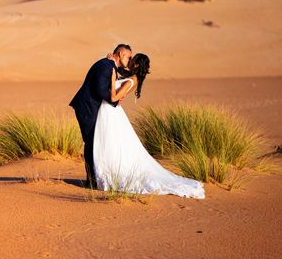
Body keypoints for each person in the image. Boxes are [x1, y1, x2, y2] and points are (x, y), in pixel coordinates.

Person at [92, 53, 205, 198]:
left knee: (112, 144)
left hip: (111, 112)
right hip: (108, 112)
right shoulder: (131, 77)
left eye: (132, 60)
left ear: (137, 65)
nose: (130, 61)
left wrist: (113, 79)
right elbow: (119, 70)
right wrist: (111, 62)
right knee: (112, 144)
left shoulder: (132, 81)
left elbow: (114, 97)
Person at [69, 44, 132, 187]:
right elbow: (100, 90)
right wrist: (114, 100)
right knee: (91, 143)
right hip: (87, 108)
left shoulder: (109, 64)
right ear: (121, 53)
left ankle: (93, 180)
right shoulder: (106, 66)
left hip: (91, 108)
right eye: (129, 57)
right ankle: (91, 181)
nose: (130, 60)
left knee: (94, 142)